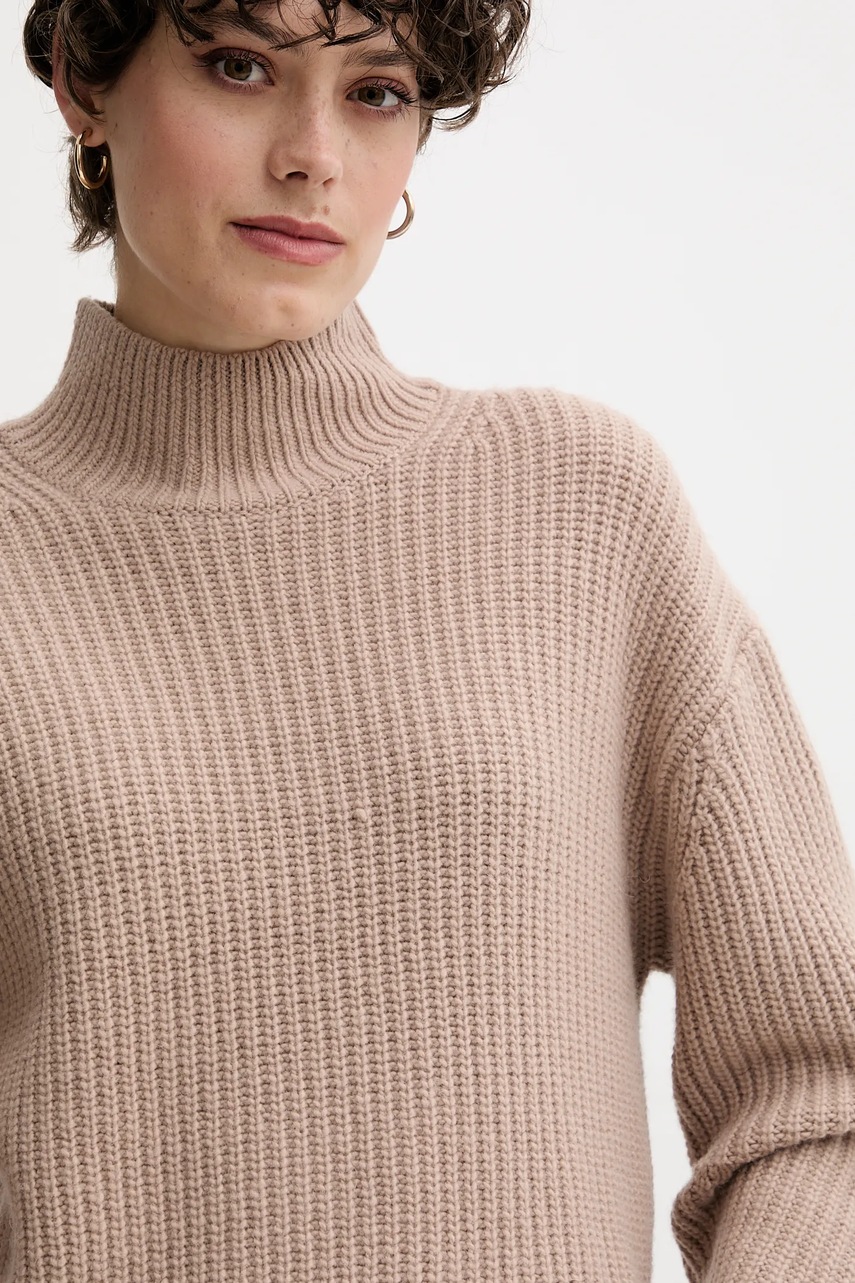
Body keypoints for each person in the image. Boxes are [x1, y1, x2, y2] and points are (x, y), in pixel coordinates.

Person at [1, 1, 853, 1280]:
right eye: (240, 66)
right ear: (83, 80)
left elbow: (824, 1092)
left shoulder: (578, 510)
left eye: (377, 91)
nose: (312, 156)